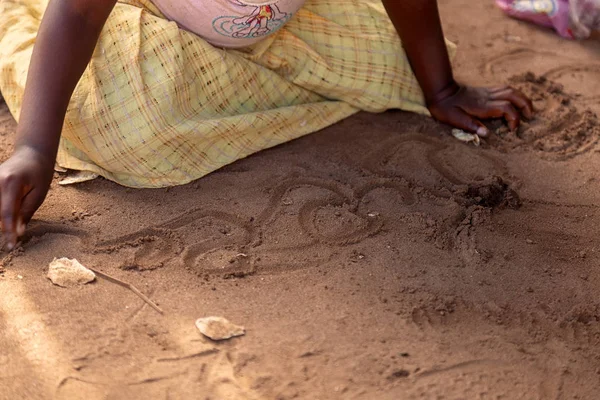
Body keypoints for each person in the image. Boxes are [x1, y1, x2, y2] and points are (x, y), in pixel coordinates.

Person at [0, 0, 533, 250]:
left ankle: (230, 76)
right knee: (130, 123)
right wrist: (34, 147)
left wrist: (440, 88)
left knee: (390, 60)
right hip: (141, 20)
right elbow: (77, 14)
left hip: (280, 26)